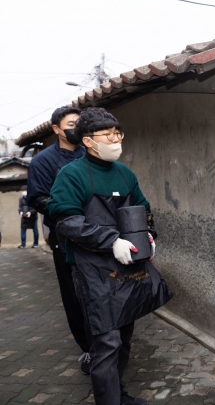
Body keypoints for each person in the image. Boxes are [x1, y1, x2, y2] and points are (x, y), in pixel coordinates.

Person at [48, 107, 173, 405]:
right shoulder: (71, 174)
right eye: (108, 135)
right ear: (88, 141)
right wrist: (110, 240)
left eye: (118, 133)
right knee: (107, 339)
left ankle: (119, 394)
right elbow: (66, 221)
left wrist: (149, 238)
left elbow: (143, 210)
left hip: (127, 265)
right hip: (91, 268)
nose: (116, 140)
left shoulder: (125, 173)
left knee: (125, 333)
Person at [26, 106, 90, 372]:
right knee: (74, 295)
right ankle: (88, 349)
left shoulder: (91, 153)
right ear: (56, 129)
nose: (77, 128)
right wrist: (69, 209)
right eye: (72, 124)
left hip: (98, 236)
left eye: (81, 123)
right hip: (65, 239)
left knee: (101, 292)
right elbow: (38, 198)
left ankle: (110, 343)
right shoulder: (43, 161)